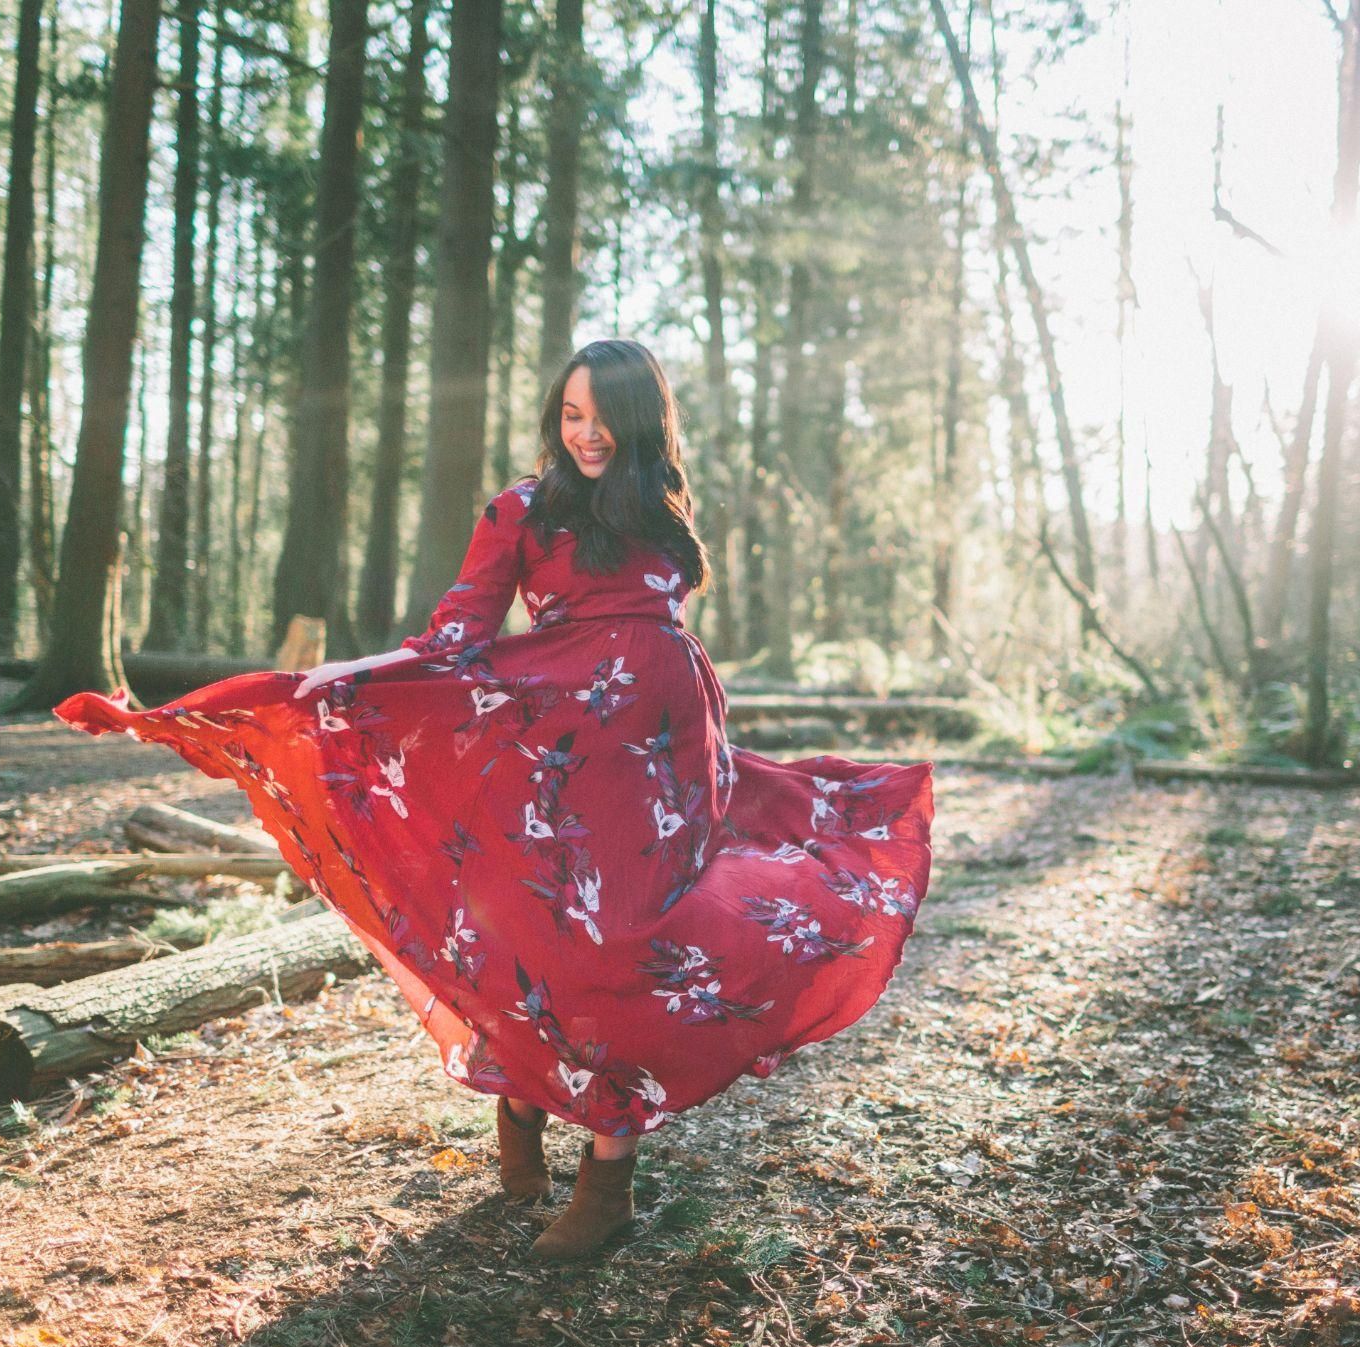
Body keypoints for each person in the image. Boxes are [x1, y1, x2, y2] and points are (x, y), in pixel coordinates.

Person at [55, 338, 936, 1260]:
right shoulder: (522, 507)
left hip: (667, 755)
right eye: (570, 414)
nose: (586, 434)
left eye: (603, 417)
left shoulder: (659, 503)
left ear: (642, 420)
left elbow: (660, 624)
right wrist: (339, 681)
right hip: (562, 756)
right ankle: (522, 1101)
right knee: (538, 928)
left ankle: (609, 1184)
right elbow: (458, 634)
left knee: (635, 940)